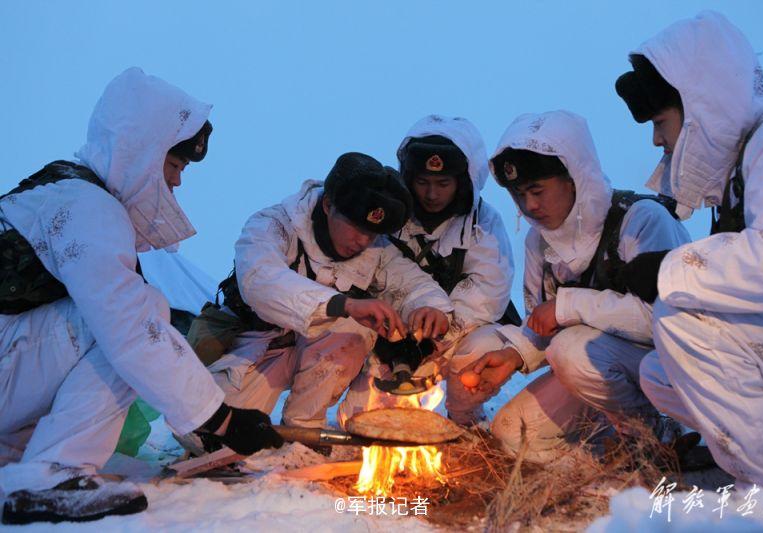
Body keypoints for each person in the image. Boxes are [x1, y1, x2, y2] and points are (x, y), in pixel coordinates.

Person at [0, 68, 283, 525]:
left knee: (123, 316)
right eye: (174, 165)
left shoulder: (63, 192)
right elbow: (128, 326)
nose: (177, 182)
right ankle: (52, 474)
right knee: (135, 314)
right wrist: (220, 419)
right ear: (141, 153)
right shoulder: (89, 207)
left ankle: (30, 463)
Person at [615, 11, 763, 486]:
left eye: (661, 121)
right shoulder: (745, 169)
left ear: (702, 109)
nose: (657, 139)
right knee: (660, 370)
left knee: (680, 321)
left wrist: (669, 271)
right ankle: (758, 461)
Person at [462, 110, 690, 460]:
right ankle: (601, 460)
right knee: (511, 434)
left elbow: (668, 321)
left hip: (669, 373)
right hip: (596, 377)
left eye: (537, 190)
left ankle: (654, 435)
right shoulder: (538, 243)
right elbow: (544, 325)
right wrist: (515, 355)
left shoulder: (641, 220)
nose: (529, 205)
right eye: (519, 195)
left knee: (572, 349)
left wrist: (569, 307)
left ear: (574, 178)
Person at [201, 152, 452, 434]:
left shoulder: (376, 250)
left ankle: (304, 430)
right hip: (261, 345)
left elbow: (413, 283)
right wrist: (343, 305)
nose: (362, 241)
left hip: (319, 352)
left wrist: (430, 306)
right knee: (205, 432)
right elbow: (260, 281)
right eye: (356, 227)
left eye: (371, 233)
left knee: (354, 333)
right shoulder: (274, 225)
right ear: (328, 204)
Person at [338, 115, 515, 425]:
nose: (432, 194)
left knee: (481, 352)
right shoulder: (387, 214)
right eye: (423, 182)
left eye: (443, 183)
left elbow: (489, 293)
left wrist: (433, 337)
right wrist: (394, 337)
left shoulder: (484, 224)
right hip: (390, 338)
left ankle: (465, 420)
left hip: (458, 334)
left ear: (463, 182)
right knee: (361, 423)